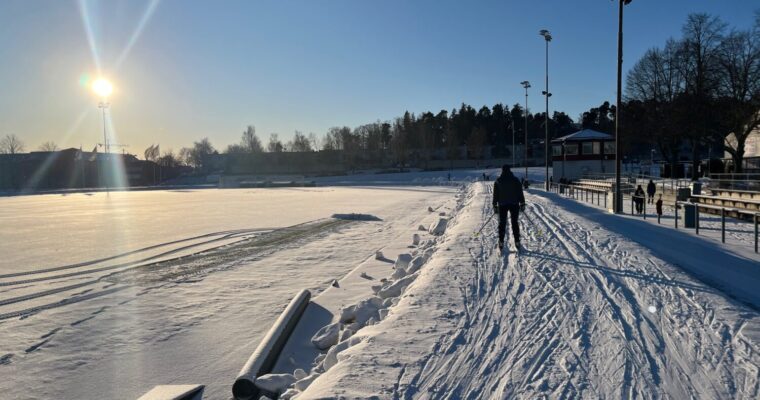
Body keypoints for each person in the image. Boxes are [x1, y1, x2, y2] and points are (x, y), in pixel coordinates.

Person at [493, 165, 526, 251]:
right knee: (514, 222)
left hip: (502, 204)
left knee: (502, 223)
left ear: (502, 170)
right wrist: (522, 202)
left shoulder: (498, 180)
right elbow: (520, 191)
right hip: (514, 204)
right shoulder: (515, 180)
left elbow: (495, 194)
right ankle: (517, 241)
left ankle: (501, 241)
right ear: (510, 170)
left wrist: (494, 205)